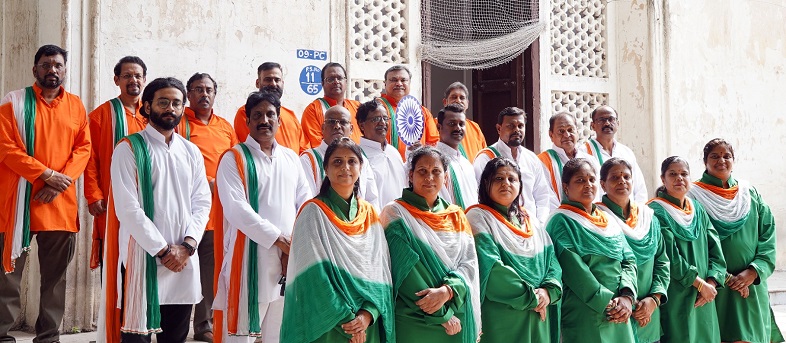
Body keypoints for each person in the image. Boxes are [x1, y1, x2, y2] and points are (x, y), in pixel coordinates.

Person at [104, 77, 212, 342]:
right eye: (163, 102)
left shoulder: (191, 151)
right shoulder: (129, 148)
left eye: (176, 103)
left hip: (183, 259)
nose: (170, 108)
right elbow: (128, 209)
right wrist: (164, 251)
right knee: (135, 335)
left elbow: (202, 201)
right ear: (148, 106)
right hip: (144, 256)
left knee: (175, 334)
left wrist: (186, 246)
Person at [0, 44, 91, 343]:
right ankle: (1, 334)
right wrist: (46, 175)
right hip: (19, 204)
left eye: (58, 65)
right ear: (35, 69)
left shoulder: (76, 105)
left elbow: (83, 148)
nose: (52, 70)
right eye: (46, 64)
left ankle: (49, 337)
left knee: (55, 280)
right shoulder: (13, 102)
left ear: (65, 70)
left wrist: (59, 183)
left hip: (59, 205)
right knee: (8, 276)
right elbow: (6, 147)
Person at [214, 91, 312, 343]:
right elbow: (237, 209)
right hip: (249, 259)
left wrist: (293, 245)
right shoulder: (233, 158)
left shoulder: (291, 158)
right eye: (257, 115)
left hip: (288, 261)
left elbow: (306, 203)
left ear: (279, 120)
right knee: (241, 336)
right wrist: (280, 239)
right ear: (247, 121)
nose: (264, 120)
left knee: (279, 335)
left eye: (270, 114)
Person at [281, 138, 394, 343]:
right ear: (326, 168)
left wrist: (368, 314)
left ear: (361, 167)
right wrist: (348, 319)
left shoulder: (369, 213)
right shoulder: (312, 213)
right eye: (338, 162)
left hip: (367, 323)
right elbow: (314, 276)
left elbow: (380, 269)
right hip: (327, 323)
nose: (346, 167)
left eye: (352, 161)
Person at [380, 146, 481, 343]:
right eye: (422, 172)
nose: (429, 178)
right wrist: (441, 315)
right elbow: (404, 269)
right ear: (410, 175)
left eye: (436, 172)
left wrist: (448, 291)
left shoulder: (456, 215)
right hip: (414, 317)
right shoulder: (395, 213)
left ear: (446, 177)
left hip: (455, 307)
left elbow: (469, 262)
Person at [688, 139, 783, 343]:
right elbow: (693, 242)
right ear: (705, 161)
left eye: (726, 156)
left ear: (733, 160)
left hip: (750, 284)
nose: (721, 160)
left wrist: (754, 271)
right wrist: (724, 276)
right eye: (714, 156)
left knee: (750, 337)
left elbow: (767, 234)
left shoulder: (748, 193)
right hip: (714, 283)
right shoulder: (692, 196)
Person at [466, 157, 562, 343]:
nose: (506, 184)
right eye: (499, 179)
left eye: (512, 179)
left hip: (539, 312)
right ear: (486, 183)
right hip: (504, 316)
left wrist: (548, 292)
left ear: (520, 185)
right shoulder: (477, 217)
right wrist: (532, 298)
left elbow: (552, 260)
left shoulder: (530, 220)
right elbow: (492, 269)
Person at [545, 158, 637, 342]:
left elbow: (629, 259)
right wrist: (606, 302)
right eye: (580, 180)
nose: (588, 185)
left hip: (620, 310)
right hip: (585, 312)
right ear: (566, 187)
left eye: (592, 180)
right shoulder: (561, 221)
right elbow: (574, 269)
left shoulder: (608, 220)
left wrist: (627, 296)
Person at [177, 72, 239, 343]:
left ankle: (204, 325)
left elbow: (235, 162)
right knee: (179, 269)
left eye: (209, 89)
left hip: (217, 213)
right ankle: (174, 325)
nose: (204, 94)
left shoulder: (225, 126)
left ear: (215, 94)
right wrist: (207, 181)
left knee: (209, 272)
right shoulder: (179, 123)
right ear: (189, 94)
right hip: (187, 211)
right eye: (198, 89)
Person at [647, 156, 726, 343]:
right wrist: (699, 284)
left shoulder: (697, 208)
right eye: (672, 174)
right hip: (677, 293)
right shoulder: (655, 212)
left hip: (705, 294)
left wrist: (712, 283)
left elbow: (715, 247)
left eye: (684, 174)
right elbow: (670, 257)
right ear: (662, 179)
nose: (679, 178)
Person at [597, 158, 669, 343]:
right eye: (614, 177)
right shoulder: (597, 219)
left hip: (648, 315)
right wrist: (627, 301)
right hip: (616, 312)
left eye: (626, 176)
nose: (622, 181)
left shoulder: (648, 218)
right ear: (603, 184)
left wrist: (654, 300)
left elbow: (662, 262)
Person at [86, 56, 148, 269]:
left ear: (145, 79)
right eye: (127, 75)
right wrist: (94, 194)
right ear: (116, 80)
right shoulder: (101, 115)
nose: (133, 80)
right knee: (114, 260)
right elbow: (90, 157)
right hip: (111, 197)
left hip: (147, 198)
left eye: (138, 76)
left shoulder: (152, 116)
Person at [473, 107, 558, 224]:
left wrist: (540, 223)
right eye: (511, 126)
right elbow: (479, 195)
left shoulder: (531, 158)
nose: (517, 130)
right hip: (499, 224)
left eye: (520, 126)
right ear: (499, 128)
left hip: (531, 226)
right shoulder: (486, 158)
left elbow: (542, 195)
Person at [300, 106, 380, 209]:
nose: (337, 126)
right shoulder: (308, 159)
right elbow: (307, 200)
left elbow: (372, 199)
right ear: (323, 128)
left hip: (359, 222)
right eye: (331, 122)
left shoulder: (361, 158)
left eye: (343, 122)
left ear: (351, 129)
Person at [233, 62, 309, 153]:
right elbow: (253, 150)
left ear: (282, 83)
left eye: (277, 80)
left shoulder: (290, 115)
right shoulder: (245, 112)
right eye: (268, 80)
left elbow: (304, 151)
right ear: (258, 83)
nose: (273, 84)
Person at [584, 106, 648, 203]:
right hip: (600, 213)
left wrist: (639, 212)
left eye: (611, 119)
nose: (607, 123)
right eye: (601, 120)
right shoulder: (583, 152)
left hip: (629, 213)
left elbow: (639, 188)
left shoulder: (626, 152)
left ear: (617, 124)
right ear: (592, 125)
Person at [377, 65, 439, 160]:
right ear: (385, 84)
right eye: (393, 80)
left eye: (403, 80)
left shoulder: (422, 111)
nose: (399, 83)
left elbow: (434, 142)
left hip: (417, 168)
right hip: (385, 165)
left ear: (409, 83)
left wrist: (422, 150)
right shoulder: (376, 108)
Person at [538, 112, 599, 202]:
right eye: (561, 131)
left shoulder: (590, 160)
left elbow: (598, 193)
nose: (566, 135)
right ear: (551, 135)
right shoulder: (542, 161)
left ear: (577, 132)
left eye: (570, 130)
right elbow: (545, 197)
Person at [356, 99, 407, 207]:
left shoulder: (393, 152)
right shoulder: (357, 156)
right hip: (376, 220)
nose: (382, 123)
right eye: (376, 119)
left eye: (385, 118)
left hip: (400, 219)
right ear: (361, 125)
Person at [301, 62, 362, 145]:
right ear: (322, 83)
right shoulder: (313, 109)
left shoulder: (357, 107)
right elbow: (316, 145)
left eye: (340, 78)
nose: (336, 82)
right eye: (330, 79)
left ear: (346, 82)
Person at [435, 103, 478, 209]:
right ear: (439, 127)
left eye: (461, 124)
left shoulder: (466, 163)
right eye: (452, 123)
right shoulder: (434, 161)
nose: (458, 128)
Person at [441, 82, 486, 163]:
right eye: (454, 97)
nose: (458, 100)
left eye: (462, 98)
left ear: (467, 103)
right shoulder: (437, 124)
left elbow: (483, 154)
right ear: (445, 102)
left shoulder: (475, 127)